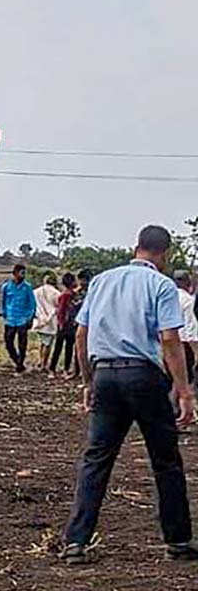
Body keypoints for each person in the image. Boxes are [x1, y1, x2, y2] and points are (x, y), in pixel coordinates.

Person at [60, 226, 198, 565]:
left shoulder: (103, 281)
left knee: (96, 459)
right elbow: (169, 339)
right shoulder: (161, 285)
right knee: (165, 460)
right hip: (144, 375)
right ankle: (177, 540)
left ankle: (76, 541)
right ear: (164, 254)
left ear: (135, 247)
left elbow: (81, 334)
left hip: (105, 373)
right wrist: (183, 390)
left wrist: (88, 381)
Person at [0, 264, 36, 373]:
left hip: (23, 319)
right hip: (10, 319)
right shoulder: (6, 287)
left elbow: (32, 304)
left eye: (24, 273)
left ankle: (20, 364)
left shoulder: (27, 287)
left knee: (22, 344)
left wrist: (30, 317)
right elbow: (3, 302)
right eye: (22, 273)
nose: (24, 275)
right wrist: (3, 313)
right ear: (15, 273)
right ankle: (16, 361)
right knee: (8, 342)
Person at [50, 273, 81, 377]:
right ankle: (61, 369)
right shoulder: (67, 295)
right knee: (67, 348)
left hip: (66, 324)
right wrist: (62, 323)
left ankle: (54, 369)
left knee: (60, 348)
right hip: (68, 325)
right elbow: (61, 311)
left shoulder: (69, 294)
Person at [33, 273, 62, 373]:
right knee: (48, 344)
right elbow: (58, 306)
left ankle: (41, 361)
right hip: (51, 320)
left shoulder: (36, 291)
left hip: (40, 319)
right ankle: (44, 364)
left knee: (42, 342)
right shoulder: (56, 293)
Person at [175, 272, 198, 386]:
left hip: (165, 342)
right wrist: (196, 352)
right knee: (184, 379)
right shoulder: (188, 300)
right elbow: (190, 328)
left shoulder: (167, 297)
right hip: (184, 345)